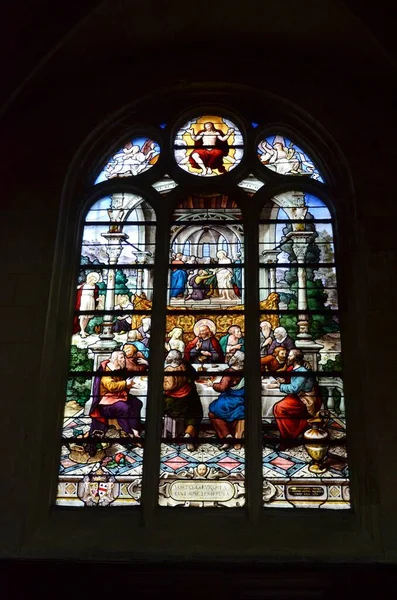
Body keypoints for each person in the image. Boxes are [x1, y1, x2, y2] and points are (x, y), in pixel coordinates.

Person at [89, 350, 142, 439]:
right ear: (115, 359)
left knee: (137, 403)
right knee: (125, 408)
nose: (124, 359)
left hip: (117, 397)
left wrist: (131, 384)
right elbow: (111, 386)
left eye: (124, 357)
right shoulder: (107, 370)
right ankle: (129, 433)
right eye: (121, 357)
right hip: (105, 404)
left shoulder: (119, 368)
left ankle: (136, 430)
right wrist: (125, 383)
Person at [273, 348, 322, 442]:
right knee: (277, 407)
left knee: (279, 408)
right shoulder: (295, 369)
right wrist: (283, 381)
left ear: (295, 359)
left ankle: (291, 435)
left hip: (305, 398)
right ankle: (289, 433)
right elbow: (294, 382)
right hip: (298, 396)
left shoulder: (302, 371)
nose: (288, 357)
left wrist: (280, 386)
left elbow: (294, 388)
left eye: (290, 356)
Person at [163, 350, 203, 451]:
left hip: (172, 402)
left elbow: (168, 387)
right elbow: (195, 376)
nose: (166, 357)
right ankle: (189, 434)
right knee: (195, 412)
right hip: (187, 396)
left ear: (172, 359)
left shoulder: (169, 369)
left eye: (168, 356)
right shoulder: (184, 365)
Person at [207, 351, 245, 450]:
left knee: (213, 412)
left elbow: (222, 387)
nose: (231, 357)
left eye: (233, 356)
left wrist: (213, 385)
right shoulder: (245, 370)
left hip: (230, 402)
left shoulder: (230, 372)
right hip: (241, 400)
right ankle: (227, 436)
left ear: (236, 360)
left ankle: (226, 436)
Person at [73, 272, 101, 338]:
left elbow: (96, 295)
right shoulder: (83, 286)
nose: (95, 281)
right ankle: (82, 331)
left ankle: (83, 330)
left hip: (91, 301)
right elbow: (78, 294)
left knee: (88, 317)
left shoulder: (95, 287)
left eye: (96, 280)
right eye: (94, 279)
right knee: (83, 316)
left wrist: (97, 299)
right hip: (84, 300)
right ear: (90, 279)